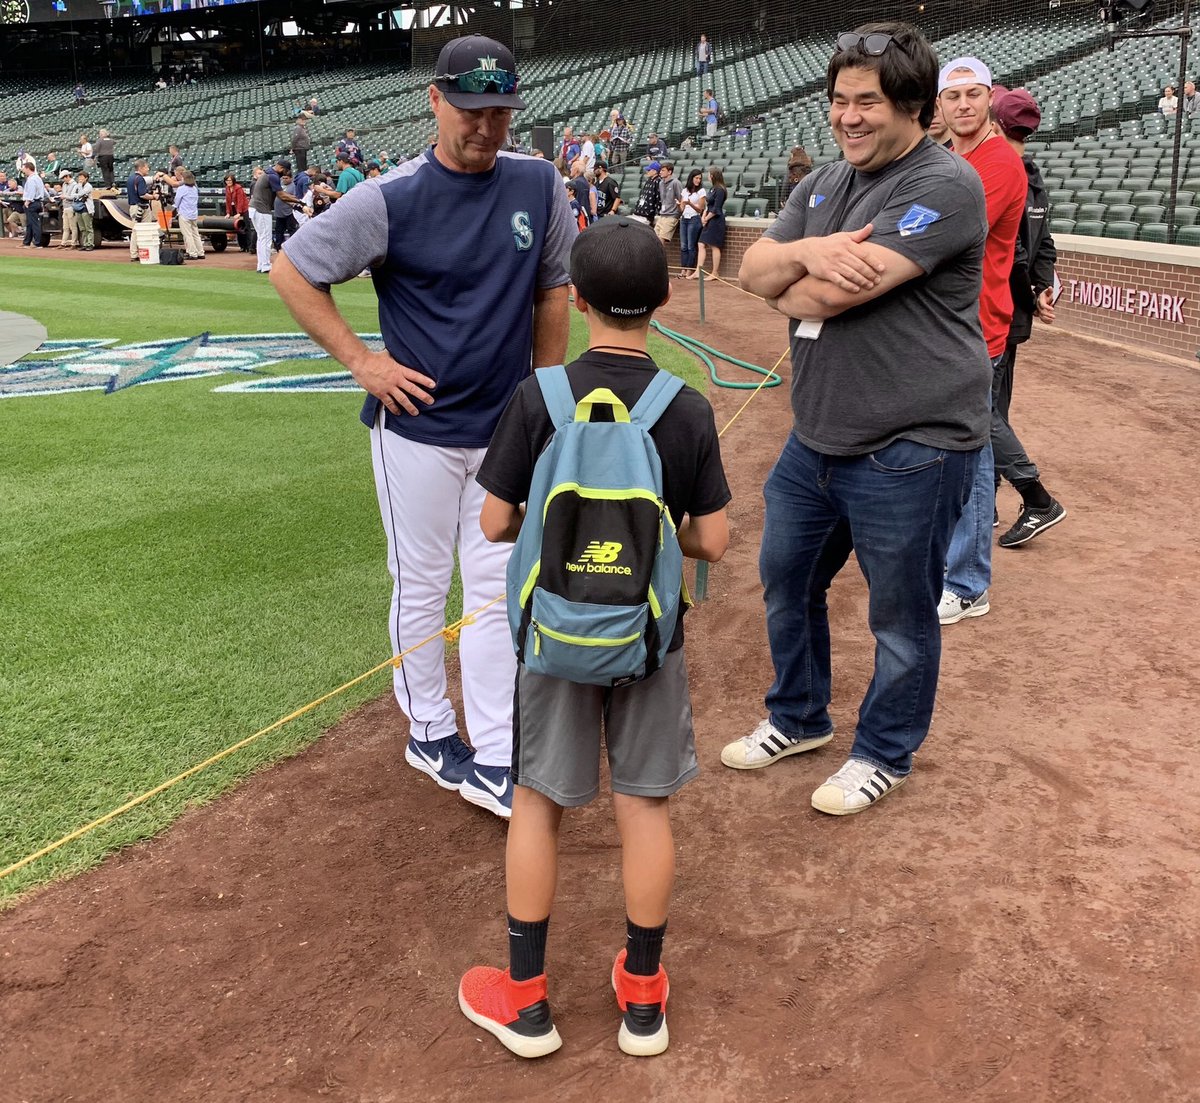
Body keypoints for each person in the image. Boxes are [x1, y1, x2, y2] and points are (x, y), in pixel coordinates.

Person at [270, 34, 573, 818]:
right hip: (417, 430)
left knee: (495, 590)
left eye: (501, 111)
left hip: (505, 428)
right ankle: (430, 729)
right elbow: (292, 268)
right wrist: (361, 361)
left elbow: (551, 294)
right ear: (435, 101)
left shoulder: (539, 186)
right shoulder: (391, 197)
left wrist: (543, 395)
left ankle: (499, 753)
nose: (486, 127)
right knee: (422, 583)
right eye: (471, 110)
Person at [458, 216, 730, 1060]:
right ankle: (642, 1000)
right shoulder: (684, 406)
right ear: (666, 296)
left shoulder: (539, 395)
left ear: (574, 300)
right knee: (642, 804)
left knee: (537, 804)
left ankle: (527, 1001)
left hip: (553, 638)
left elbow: (497, 520)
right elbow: (713, 541)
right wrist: (648, 547)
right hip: (649, 638)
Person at [727, 22, 990, 815]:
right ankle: (798, 717)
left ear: (910, 103)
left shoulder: (944, 184)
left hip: (913, 441)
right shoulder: (825, 185)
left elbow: (828, 296)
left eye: (867, 102)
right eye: (839, 100)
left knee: (900, 615)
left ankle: (884, 750)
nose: (848, 117)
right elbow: (751, 269)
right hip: (819, 435)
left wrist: (797, 270)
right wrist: (808, 251)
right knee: (785, 578)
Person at [935, 57, 1026, 626]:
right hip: (952, 324)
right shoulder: (952, 158)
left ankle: (968, 582)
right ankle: (958, 571)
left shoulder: (997, 163)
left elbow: (943, 233)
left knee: (971, 454)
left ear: (990, 99)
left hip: (978, 327)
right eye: (954, 96)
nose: (964, 104)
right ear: (940, 106)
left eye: (974, 94)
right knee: (959, 446)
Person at [989, 87, 1068, 548]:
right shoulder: (1034, 177)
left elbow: (1016, 254)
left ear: (997, 124)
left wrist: (1033, 290)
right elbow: (1045, 248)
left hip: (999, 312)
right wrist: (1041, 291)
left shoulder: (1004, 172)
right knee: (994, 408)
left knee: (982, 411)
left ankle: (1036, 497)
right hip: (1016, 313)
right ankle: (987, 500)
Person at [161, 166, 205, 259]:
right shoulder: (194, 188)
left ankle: (192, 253)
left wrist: (174, 208)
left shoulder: (182, 188)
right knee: (195, 233)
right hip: (193, 213)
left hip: (184, 214)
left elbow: (177, 201)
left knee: (188, 234)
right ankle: (200, 252)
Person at [696, 165, 726, 278]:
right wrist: (703, 215)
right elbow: (708, 206)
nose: (707, 176)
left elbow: (716, 209)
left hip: (716, 221)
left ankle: (715, 272)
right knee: (701, 243)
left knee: (714, 246)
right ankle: (698, 270)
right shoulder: (712, 189)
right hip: (708, 219)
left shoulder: (720, 190)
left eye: (709, 174)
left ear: (713, 176)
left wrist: (706, 218)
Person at [126, 158, 156, 261]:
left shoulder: (130, 178)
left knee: (135, 230)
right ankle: (144, 252)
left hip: (133, 206)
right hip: (141, 206)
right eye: (146, 167)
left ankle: (134, 254)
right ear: (141, 167)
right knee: (143, 230)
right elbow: (143, 194)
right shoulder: (140, 179)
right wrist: (153, 197)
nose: (148, 169)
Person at [678, 168, 706, 275]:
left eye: (699, 178)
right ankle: (683, 269)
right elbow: (681, 208)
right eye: (696, 178)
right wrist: (679, 205)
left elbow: (700, 209)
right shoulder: (685, 190)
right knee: (683, 246)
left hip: (694, 219)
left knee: (691, 246)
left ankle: (689, 269)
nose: (698, 180)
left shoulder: (701, 191)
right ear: (692, 178)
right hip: (684, 218)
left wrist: (690, 204)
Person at [654, 162, 682, 248]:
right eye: (660, 170)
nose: (660, 172)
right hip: (662, 215)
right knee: (654, 239)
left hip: (671, 216)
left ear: (669, 172)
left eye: (663, 170)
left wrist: (678, 212)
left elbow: (681, 199)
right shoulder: (661, 183)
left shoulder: (676, 183)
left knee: (660, 241)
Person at [20, 161, 47, 248]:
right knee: (30, 223)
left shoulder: (31, 179)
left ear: (28, 168)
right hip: (38, 202)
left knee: (34, 223)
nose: (23, 170)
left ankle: (37, 243)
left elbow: (32, 191)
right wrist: (49, 197)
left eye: (24, 168)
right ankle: (27, 242)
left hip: (32, 202)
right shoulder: (38, 178)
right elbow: (43, 189)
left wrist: (28, 202)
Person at [224, 171, 251, 252]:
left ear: (233, 181)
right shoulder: (227, 188)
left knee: (246, 227)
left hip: (244, 209)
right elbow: (228, 201)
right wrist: (228, 213)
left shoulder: (238, 188)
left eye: (230, 180)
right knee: (238, 228)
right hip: (235, 209)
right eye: (227, 180)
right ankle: (242, 246)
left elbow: (240, 201)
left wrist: (239, 212)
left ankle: (249, 246)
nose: (228, 182)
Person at [633, 160, 662, 224]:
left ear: (655, 171)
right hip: (639, 212)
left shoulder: (658, 181)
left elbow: (658, 198)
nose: (647, 171)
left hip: (647, 214)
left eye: (649, 170)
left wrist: (658, 213)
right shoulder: (649, 180)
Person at [75, 169, 95, 250]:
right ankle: (84, 243)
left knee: (88, 227)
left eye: (82, 177)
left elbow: (81, 193)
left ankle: (90, 244)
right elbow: (74, 194)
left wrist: (77, 193)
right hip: (79, 208)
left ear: (86, 178)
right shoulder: (78, 185)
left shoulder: (88, 186)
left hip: (86, 208)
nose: (80, 179)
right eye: (79, 177)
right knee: (82, 228)